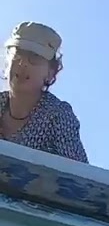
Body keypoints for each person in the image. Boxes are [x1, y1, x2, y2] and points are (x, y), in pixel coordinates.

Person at [1, 22, 88, 163]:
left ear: (50, 72)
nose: (23, 63)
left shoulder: (57, 115)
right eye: (17, 54)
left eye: (34, 57)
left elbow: (79, 176)